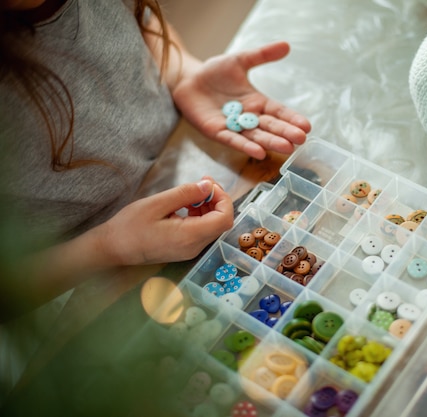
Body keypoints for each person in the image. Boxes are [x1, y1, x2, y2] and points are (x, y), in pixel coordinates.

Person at [0, 0, 311, 402]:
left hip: (174, 163)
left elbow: (134, 25)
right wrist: (108, 245)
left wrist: (184, 72)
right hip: (73, 296)